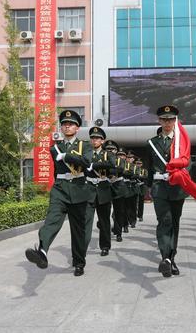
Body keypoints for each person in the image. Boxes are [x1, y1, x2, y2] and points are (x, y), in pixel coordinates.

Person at [25, 110, 92, 276]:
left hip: (78, 189)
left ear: (77, 128)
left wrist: (67, 156)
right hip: (60, 188)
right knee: (51, 220)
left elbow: (86, 162)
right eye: (64, 124)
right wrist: (65, 156)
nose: (67, 126)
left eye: (71, 124)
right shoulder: (55, 147)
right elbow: (57, 166)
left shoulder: (86, 145)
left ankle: (79, 262)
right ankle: (42, 251)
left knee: (78, 230)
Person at [146, 105, 187, 277]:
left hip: (177, 188)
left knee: (175, 223)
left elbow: (187, 162)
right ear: (159, 121)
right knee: (165, 221)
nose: (167, 122)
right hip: (159, 188)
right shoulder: (151, 143)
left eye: (171, 119)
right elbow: (149, 167)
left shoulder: (181, 142)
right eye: (164, 119)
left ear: (175, 120)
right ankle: (165, 258)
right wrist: (148, 188)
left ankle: (171, 258)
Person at [84, 127, 115, 257]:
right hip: (89, 190)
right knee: (86, 221)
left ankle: (105, 246)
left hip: (103, 190)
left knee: (104, 221)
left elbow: (112, 165)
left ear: (103, 141)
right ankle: (82, 246)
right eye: (92, 138)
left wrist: (95, 166)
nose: (94, 140)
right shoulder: (86, 154)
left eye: (97, 138)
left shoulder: (108, 154)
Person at [104, 140, 128, 243]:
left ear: (116, 150)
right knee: (105, 212)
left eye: (112, 149)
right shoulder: (102, 159)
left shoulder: (120, 160)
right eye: (108, 149)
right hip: (106, 186)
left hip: (118, 187)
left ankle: (118, 233)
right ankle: (105, 231)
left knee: (119, 212)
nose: (110, 151)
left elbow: (121, 170)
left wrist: (107, 169)